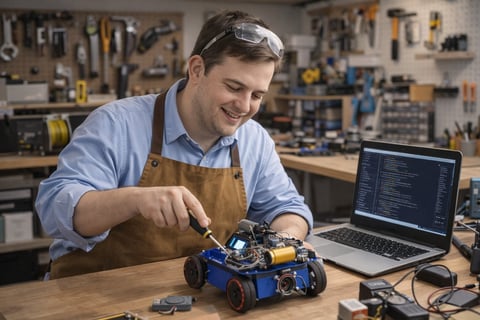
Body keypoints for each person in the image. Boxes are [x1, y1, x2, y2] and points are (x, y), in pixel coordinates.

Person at [35, 9, 313, 279]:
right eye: (233, 87)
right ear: (196, 69)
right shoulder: (116, 123)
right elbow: (55, 210)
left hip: (198, 299)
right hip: (93, 298)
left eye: (257, 95)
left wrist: (283, 243)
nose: (244, 106)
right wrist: (134, 200)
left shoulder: (254, 139)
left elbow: (288, 207)